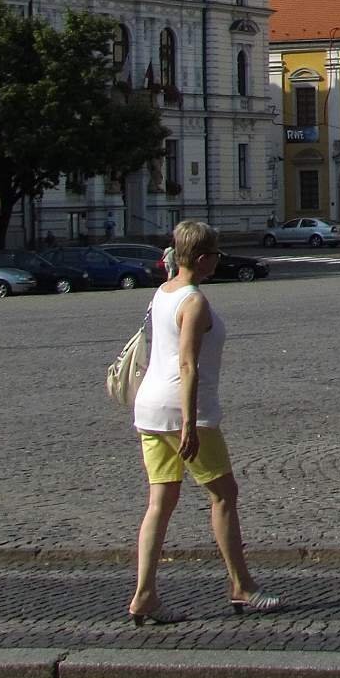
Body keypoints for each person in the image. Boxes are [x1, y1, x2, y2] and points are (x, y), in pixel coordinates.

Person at [128, 220, 279, 624]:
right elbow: (188, 364)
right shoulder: (193, 301)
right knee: (224, 495)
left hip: (149, 409)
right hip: (182, 411)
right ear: (201, 258)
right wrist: (192, 426)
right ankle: (241, 586)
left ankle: (144, 595)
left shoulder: (164, 292)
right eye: (215, 255)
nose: (218, 261)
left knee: (159, 503)